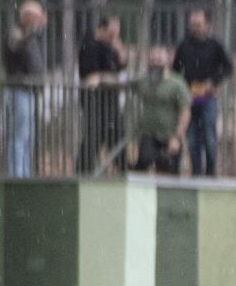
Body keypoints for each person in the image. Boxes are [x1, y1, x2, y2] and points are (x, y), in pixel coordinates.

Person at [173, 9, 231, 177]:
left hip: (208, 97)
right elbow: (175, 70)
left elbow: (228, 67)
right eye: (192, 25)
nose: (195, 28)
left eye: (198, 24)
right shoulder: (184, 45)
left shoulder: (215, 45)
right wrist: (182, 87)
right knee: (192, 138)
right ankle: (196, 172)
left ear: (207, 24)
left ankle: (211, 172)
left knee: (209, 135)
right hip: (189, 97)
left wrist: (214, 82)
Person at [3, 1, 47, 179]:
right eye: (36, 17)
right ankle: (17, 176)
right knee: (18, 137)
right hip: (18, 91)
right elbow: (16, 45)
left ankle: (25, 175)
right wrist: (34, 32)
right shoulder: (17, 32)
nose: (39, 21)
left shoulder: (30, 36)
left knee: (28, 139)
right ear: (27, 17)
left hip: (29, 92)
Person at [77, 15, 126, 174]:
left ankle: (122, 168)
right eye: (111, 34)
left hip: (110, 100)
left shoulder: (110, 45)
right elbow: (93, 77)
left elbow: (122, 64)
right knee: (95, 134)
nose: (114, 38)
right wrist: (108, 78)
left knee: (116, 132)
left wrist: (118, 46)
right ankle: (84, 168)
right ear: (102, 29)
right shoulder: (89, 45)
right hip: (94, 100)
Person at [130, 47, 189, 176]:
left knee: (169, 172)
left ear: (167, 61)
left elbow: (185, 112)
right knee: (143, 163)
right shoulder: (143, 81)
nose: (156, 63)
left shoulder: (176, 84)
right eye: (152, 60)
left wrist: (177, 138)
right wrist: (101, 78)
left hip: (170, 135)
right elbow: (122, 82)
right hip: (149, 133)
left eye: (159, 59)